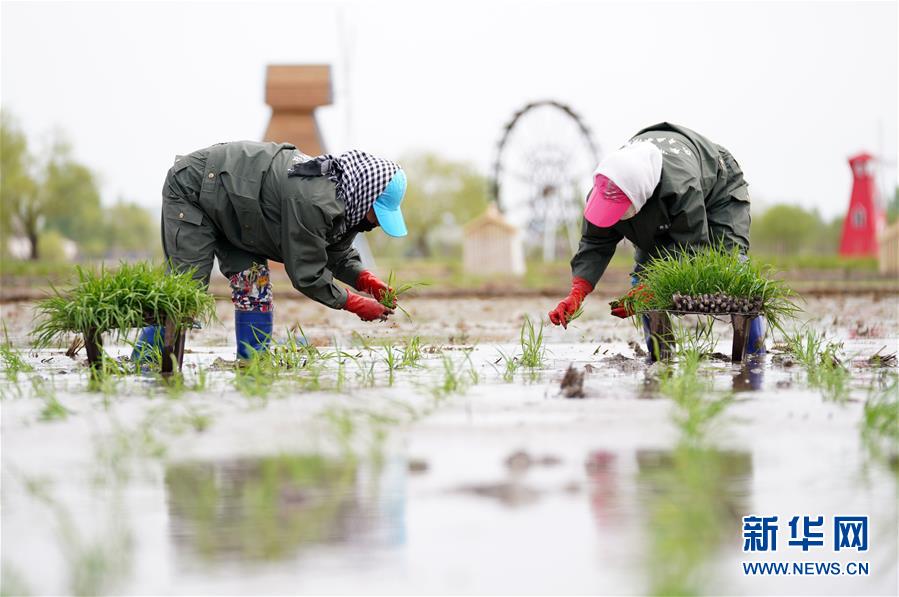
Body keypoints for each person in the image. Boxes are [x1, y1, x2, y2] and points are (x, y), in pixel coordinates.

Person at [133, 141, 408, 360]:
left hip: (238, 213)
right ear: (366, 195)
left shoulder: (346, 203)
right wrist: (355, 303)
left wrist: (365, 279)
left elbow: (337, 253)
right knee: (186, 292)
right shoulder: (315, 201)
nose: (376, 223)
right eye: (377, 214)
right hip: (196, 188)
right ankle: (145, 362)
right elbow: (307, 273)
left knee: (254, 285)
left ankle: (252, 364)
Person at [548, 122, 766, 354]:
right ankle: (661, 356)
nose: (613, 217)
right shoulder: (606, 188)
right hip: (656, 192)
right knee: (643, 278)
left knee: (732, 265)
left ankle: (755, 350)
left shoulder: (681, 189)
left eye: (618, 211)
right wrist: (577, 293)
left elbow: (691, 249)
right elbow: (595, 242)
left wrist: (652, 288)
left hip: (718, 183)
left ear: (639, 198)